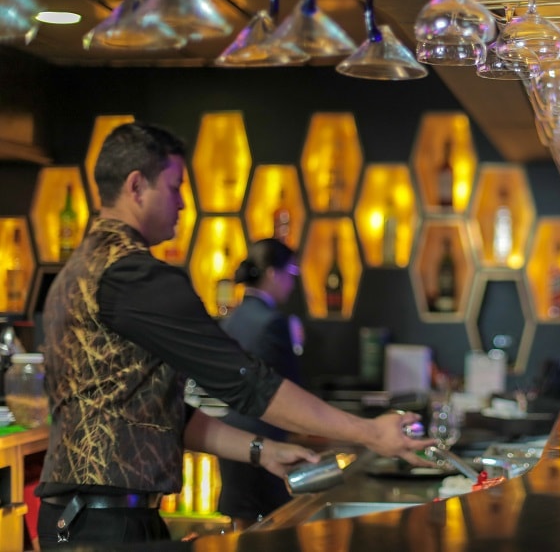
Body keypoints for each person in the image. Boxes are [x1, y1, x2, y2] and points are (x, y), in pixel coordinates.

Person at [36, 122, 433, 548]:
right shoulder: (134, 277)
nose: (182, 202)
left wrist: (263, 450)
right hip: (106, 527)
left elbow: (164, 415)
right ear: (136, 186)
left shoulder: (77, 272)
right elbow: (246, 382)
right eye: (174, 186)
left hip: (80, 519)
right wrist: (371, 433)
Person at [216, 238, 306, 529]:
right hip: (263, 441)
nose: (292, 283)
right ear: (272, 274)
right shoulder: (272, 322)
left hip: (230, 437)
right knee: (273, 532)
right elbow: (288, 389)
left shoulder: (231, 319)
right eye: (290, 273)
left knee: (241, 530)